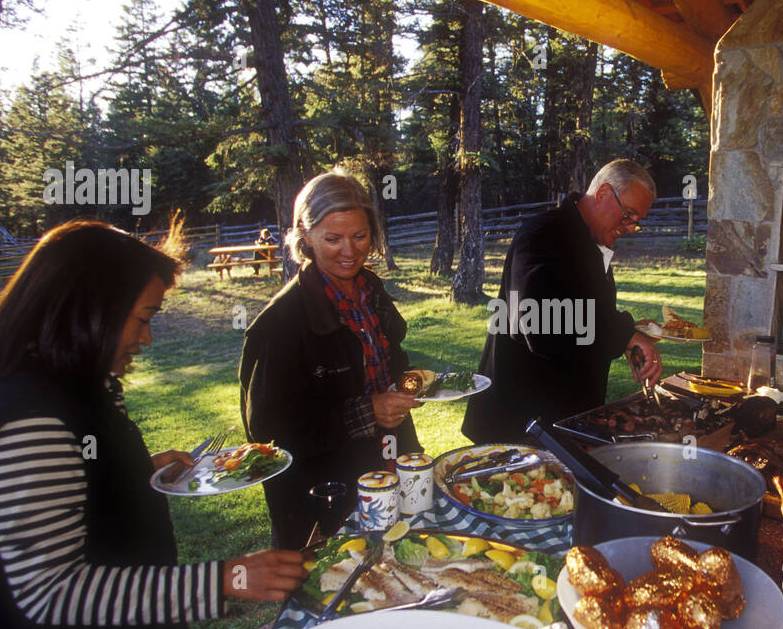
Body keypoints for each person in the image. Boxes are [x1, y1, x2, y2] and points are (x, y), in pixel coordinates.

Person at [0, 221, 308, 629]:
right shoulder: (28, 422)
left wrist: (132, 471)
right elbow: (50, 592)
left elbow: (65, 489)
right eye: (141, 319)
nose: (146, 338)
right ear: (86, 310)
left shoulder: (67, 388)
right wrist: (226, 579)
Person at [239, 171, 420, 550]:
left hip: (388, 466)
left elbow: (385, 361)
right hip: (322, 499)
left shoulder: (372, 291)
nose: (350, 251)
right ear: (305, 237)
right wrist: (367, 411)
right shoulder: (279, 323)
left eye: (360, 236)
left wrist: (409, 380)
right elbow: (267, 434)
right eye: (332, 239)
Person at [463, 159, 664, 443]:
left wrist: (624, 342)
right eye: (628, 215)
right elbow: (542, 325)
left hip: (561, 421)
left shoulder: (590, 240)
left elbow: (587, 314)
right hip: (520, 426)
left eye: (637, 222)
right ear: (604, 193)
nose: (631, 228)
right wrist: (624, 335)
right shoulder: (544, 234)